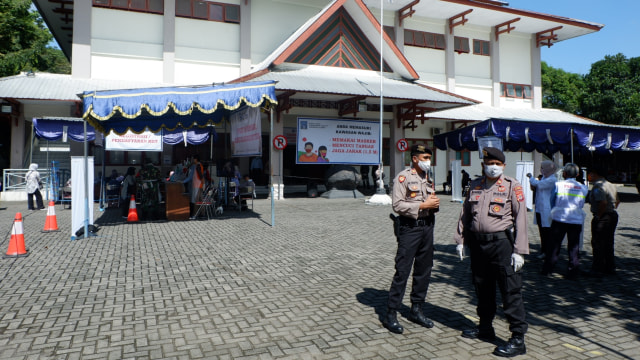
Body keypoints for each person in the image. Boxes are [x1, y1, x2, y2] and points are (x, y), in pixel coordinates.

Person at [454, 147, 529, 357]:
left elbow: (521, 217)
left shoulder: (512, 186)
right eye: (490, 163)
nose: (493, 167)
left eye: (498, 164)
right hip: (478, 246)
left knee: (510, 290)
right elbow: (464, 214)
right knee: (482, 288)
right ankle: (485, 328)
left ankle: (517, 338)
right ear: (483, 165)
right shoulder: (474, 185)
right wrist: (460, 240)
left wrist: (519, 250)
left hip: (502, 245)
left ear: (504, 166)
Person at [383, 144, 440, 334]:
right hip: (410, 228)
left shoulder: (428, 176)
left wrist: (433, 205)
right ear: (414, 158)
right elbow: (397, 205)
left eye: (428, 158)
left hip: (427, 227)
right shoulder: (403, 177)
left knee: (424, 270)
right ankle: (391, 313)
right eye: (424, 158)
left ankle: (417, 309)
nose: (427, 161)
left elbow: (430, 200)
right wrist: (424, 205)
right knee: (403, 270)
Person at [542, 163, 588, 279]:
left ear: (564, 173)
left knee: (554, 245)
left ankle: (548, 269)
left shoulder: (558, 184)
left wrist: (554, 211)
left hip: (559, 218)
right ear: (577, 174)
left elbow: (552, 201)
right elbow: (582, 204)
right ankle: (573, 271)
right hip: (576, 219)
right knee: (573, 246)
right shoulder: (583, 187)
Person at [586, 165, 620, 276]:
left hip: (603, 217)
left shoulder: (598, 186)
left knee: (598, 243)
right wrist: (611, 209)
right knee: (609, 242)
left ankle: (597, 268)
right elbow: (617, 201)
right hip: (612, 215)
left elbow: (603, 203)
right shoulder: (611, 185)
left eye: (590, 173)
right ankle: (610, 267)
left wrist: (598, 216)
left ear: (594, 174)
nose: (589, 176)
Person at [527, 160, 558, 259]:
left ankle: (548, 252)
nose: (541, 169)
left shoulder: (552, 179)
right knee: (542, 232)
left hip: (547, 210)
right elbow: (536, 187)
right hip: (540, 209)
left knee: (547, 232)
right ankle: (544, 251)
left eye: (543, 167)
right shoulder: (545, 177)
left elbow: (539, 184)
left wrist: (531, 177)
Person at [183, 155, 204, 219]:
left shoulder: (197, 166)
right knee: (199, 200)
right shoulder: (200, 165)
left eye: (193, 159)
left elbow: (199, 175)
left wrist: (183, 181)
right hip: (199, 184)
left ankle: (194, 215)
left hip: (197, 185)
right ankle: (202, 214)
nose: (192, 160)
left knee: (195, 200)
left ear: (196, 159)